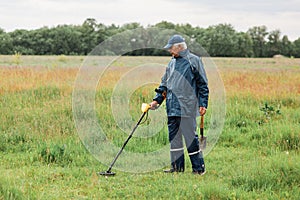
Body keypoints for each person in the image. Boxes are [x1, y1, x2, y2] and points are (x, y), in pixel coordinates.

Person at [150, 34, 209, 175]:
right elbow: (164, 84)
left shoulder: (194, 61)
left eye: (171, 48)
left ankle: (198, 169)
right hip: (171, 107)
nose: (170, 51)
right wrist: (157, 100)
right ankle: (177, 168)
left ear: (179, 47)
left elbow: (203, 85)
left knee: (191, 139)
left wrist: (203, 103)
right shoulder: (171, 63)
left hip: (187, 107)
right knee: (174, 139)